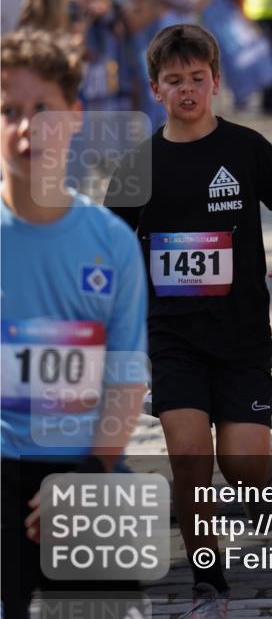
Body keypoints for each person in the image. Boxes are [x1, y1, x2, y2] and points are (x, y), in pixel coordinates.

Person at [104, 23, 272, 614]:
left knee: (243, 462)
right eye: (175, 81)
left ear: (216, 81)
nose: (188, 90)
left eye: (198, 78)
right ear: (155, 90)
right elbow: (112, 252)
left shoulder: (247, 149)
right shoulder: (136, 166)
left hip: (243, 333)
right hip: (171, 335)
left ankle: (270, 491)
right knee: (190, 452)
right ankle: (209, 576)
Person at [1, 30, 148, 619]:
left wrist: (86, 478)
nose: (26, 128)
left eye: (44, 110)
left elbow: (126, 378)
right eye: (9, 110)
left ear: (75, 117)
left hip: (91, 464)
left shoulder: (110, 242)